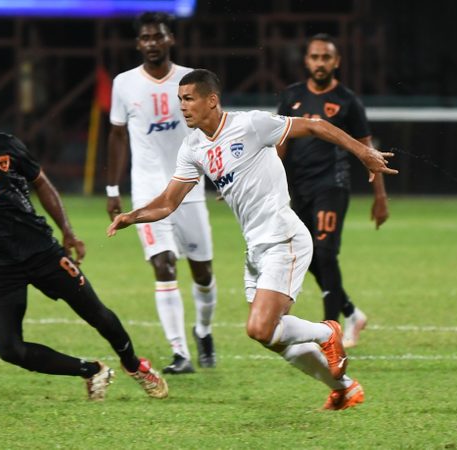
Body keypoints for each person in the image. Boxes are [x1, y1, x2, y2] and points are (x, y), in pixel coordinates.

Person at [107, 69, 397, 410]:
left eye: (189, 99)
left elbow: (315, 126)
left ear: (211, 100)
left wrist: (362, 152)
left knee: (260, 328)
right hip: (256, 249)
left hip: (283, 238)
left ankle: (327, 333)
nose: (182, 106)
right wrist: (132, 216)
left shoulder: (251, 124)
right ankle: (344, 388)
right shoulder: (193, 147)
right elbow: (169, 202)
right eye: (180, 100)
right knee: (273, 337)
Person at [0, 89, 168, 401]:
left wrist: (67, 231)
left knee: (97, 314)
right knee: (9, 348)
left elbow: (42, 183)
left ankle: (135, 365)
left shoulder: (7, 145)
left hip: (43, 251)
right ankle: (91, 370)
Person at [106, 12, 217, 374]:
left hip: (189, 187)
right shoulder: (124, 83)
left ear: (171, 39)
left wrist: (222, 173)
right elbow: (117, 135)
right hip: (147, 191)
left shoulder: (191, 80)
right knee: (163, 264)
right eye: (145, 38)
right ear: (138, 43)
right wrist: (112, 189)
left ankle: (203, 331)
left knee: (202, 273)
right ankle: (180, 353)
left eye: (158, 36)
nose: (152, 43)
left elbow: (212, 129)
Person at [276, 33, 388, 348]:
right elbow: (279, 144)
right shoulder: (292, 96)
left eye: (326, 57)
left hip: (332, 186)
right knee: (305, 253)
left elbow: (368, 151)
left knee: (325, 253)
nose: (320, 63)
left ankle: (331, 334)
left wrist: (380, 197)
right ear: (306, 61)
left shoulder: (348, 101)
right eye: (315, 57)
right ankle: (351, 312)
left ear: (336, 61)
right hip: (299, 188)